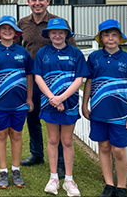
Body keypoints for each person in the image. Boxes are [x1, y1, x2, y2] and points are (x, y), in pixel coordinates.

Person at [16, 0, 76, 178]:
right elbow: (17, 50)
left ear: (48, 1)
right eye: (33, 0)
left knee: (55, 118)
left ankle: (59, 161)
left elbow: (71, 50)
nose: (37, 3)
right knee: (32, 116)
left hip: (56, 81)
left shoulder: (58, 23)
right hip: (31, 80)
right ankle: (37, 153)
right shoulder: (22, 24)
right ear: (28, 2)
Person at [82, 19, 127, 197]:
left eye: (114, 34)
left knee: (118, 150)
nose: (110, 38)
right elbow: (89, 82)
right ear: (101, 38)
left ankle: (122, 187)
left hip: (120, 114)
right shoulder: (94, 57)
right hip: (99, 112)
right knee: (103, 147)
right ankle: (109, 185)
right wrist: (84, 104)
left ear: (120, 37)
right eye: (106, 35)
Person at [32, 18, 89, 196]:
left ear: (66, 34)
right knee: (52, 140)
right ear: (48, 34)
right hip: (49, 104)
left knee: (67, 141)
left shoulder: (75, 53)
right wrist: (52, 98)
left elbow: (79, 79)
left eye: (61, 32)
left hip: (69, 104)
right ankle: (54, 177)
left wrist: (62, 98)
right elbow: (38, 77)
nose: (57, 35)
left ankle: (69, 180)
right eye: (54, 32)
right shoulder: (43, 53)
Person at [0, 15, 33, 189]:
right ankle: (3, 170)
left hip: (19, 104)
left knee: (17, 135)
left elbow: (29, 76)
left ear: (16, 32)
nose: (7, 31)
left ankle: (15, 169)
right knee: (1, 135)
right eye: (4, 28)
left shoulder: (23, 52)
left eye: (10, 28)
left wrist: (29, 98)